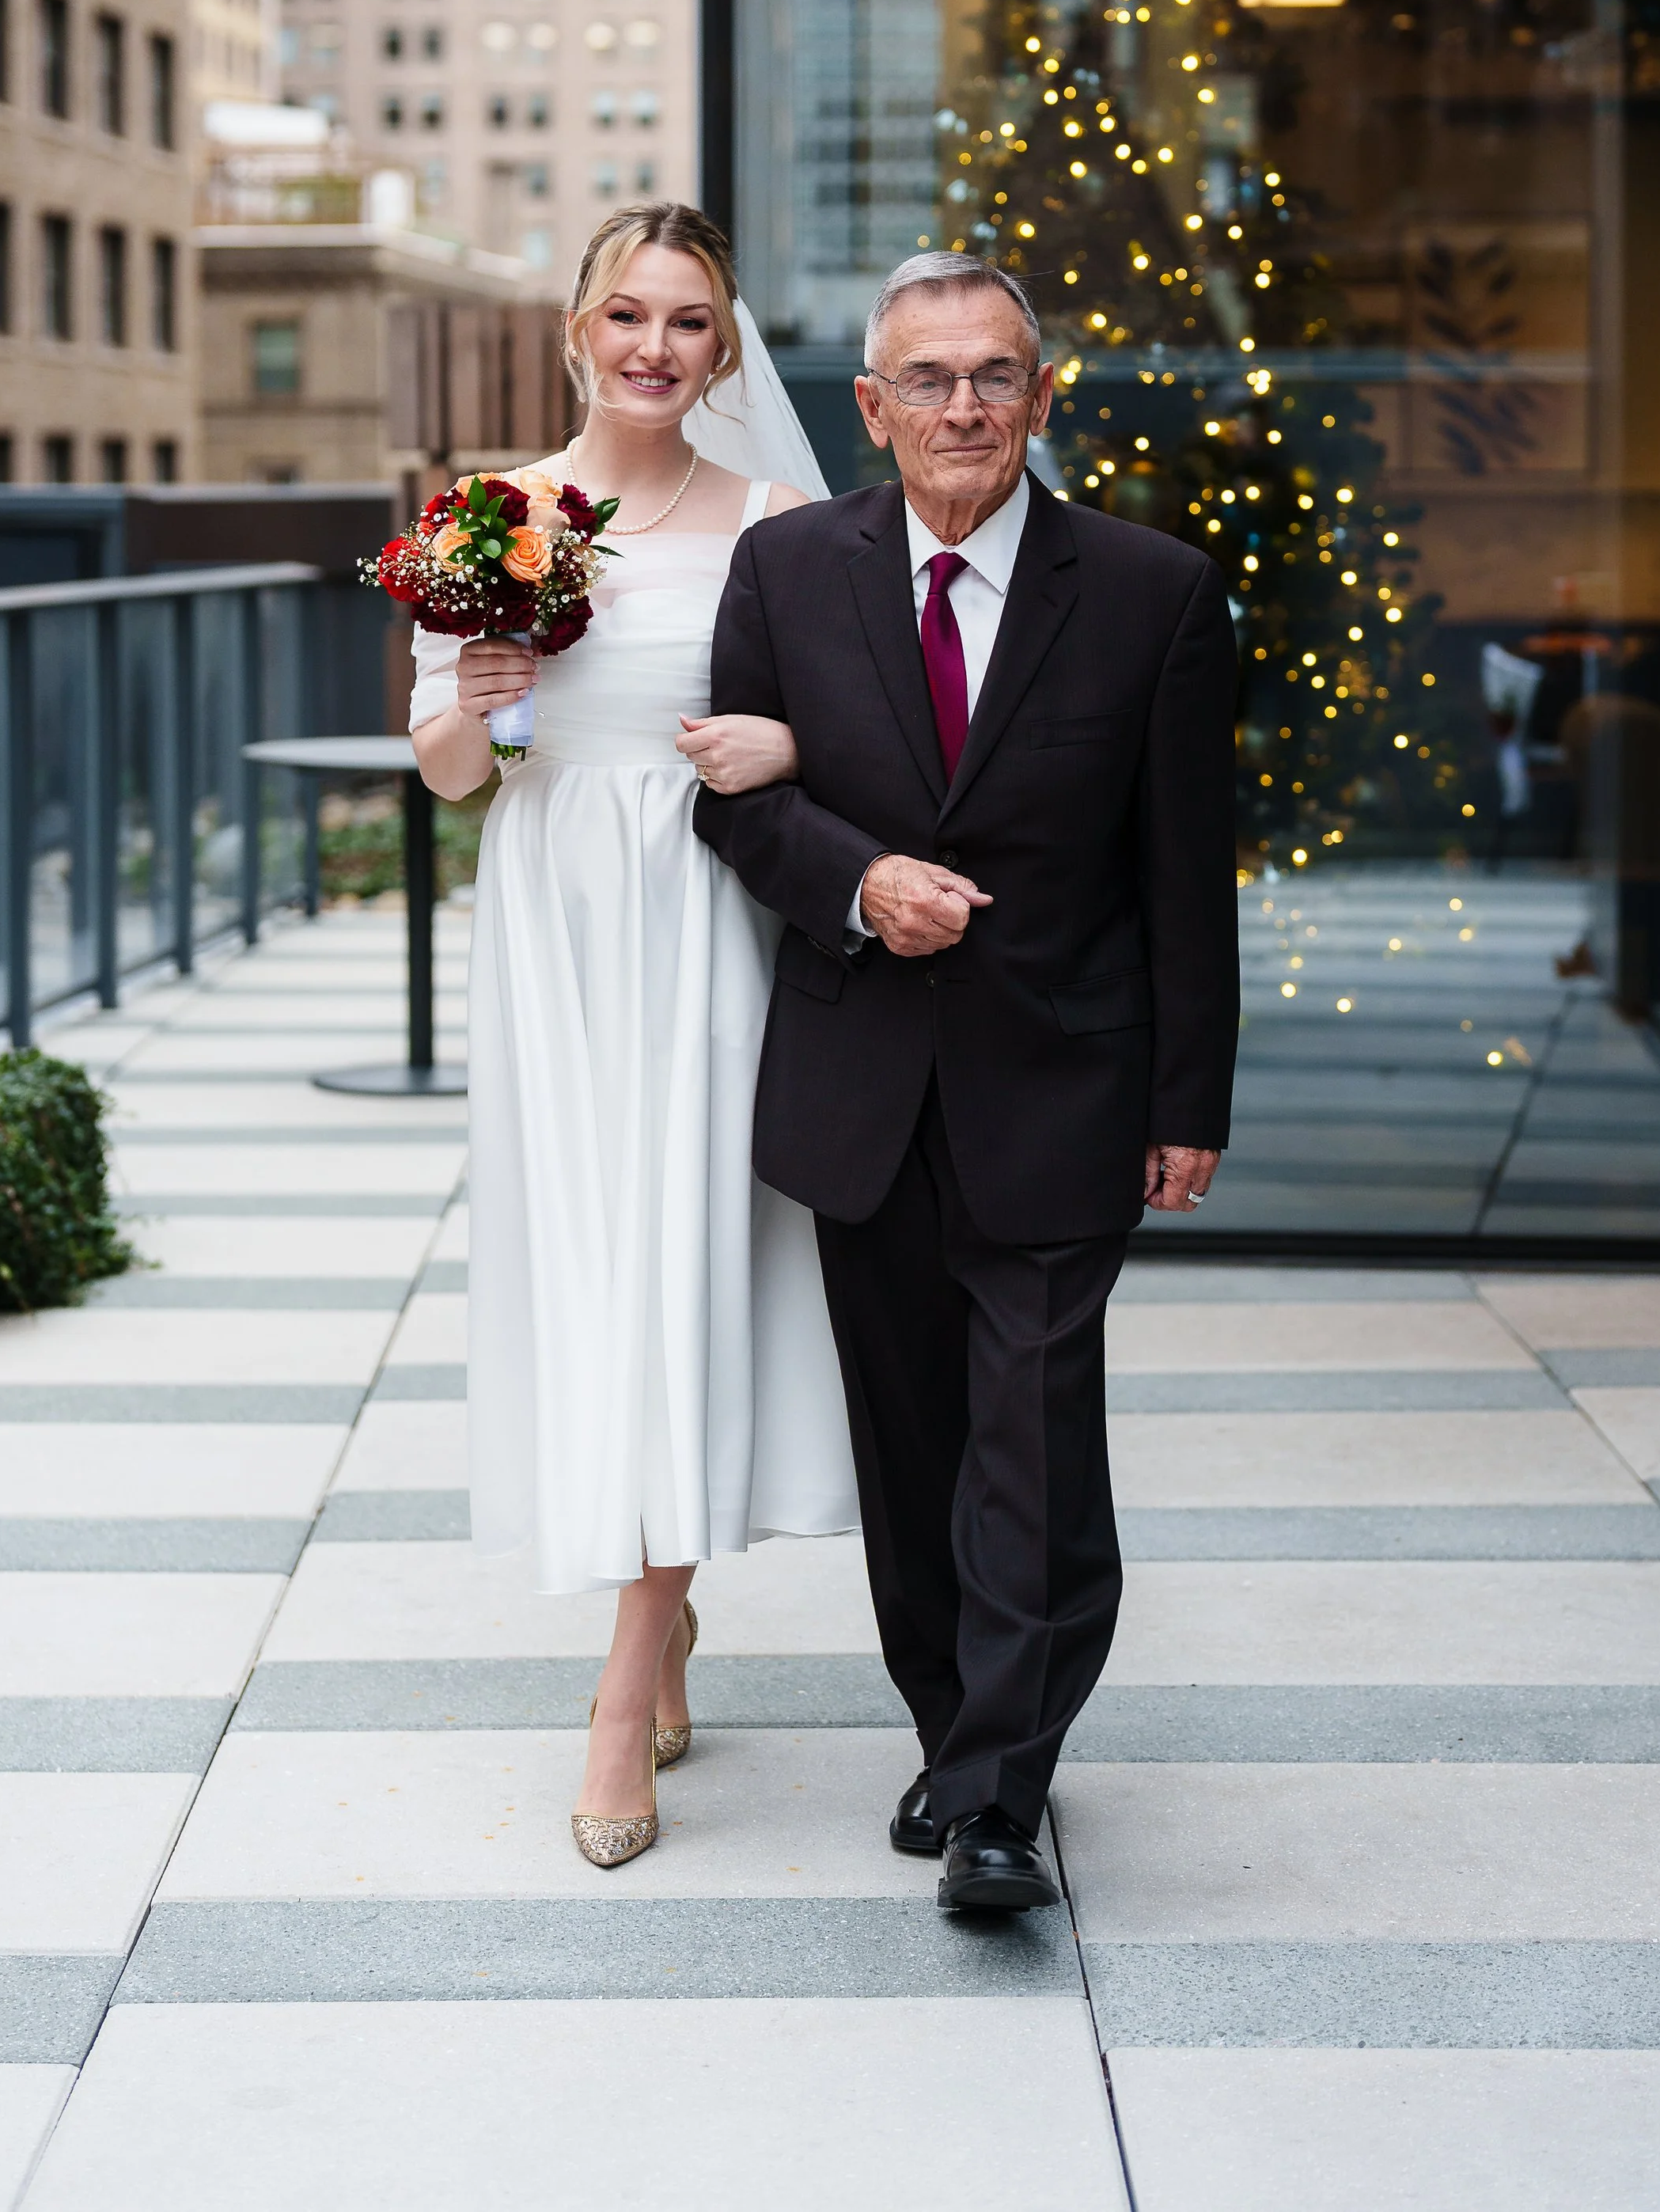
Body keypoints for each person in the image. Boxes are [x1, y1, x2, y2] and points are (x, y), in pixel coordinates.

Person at [693, 253, 1239, 1914]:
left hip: (1064, 1091)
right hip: (864, 1096)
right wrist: (859, 880)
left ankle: (1000, 1792)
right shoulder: (784, 573)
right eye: (924, 379)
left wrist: (1186, 1101)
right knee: (915, 1450)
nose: (961, 407)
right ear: (869, 407)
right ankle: (951, 1731)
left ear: (1039, 396)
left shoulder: (1150, 591)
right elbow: (729, 798)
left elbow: (1184, 871)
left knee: (1033, 1448)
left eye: (992, 375)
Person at [411, 202, 855, 1873]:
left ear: (722, 348)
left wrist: (781, 737)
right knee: (589, 1269)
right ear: (578, 332)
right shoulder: (494, 515)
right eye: (626, 317)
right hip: (557, 930)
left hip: (711, 912)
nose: (654, 348)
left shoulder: (781, 518)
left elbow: (865, 729)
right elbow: (462, 774)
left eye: (687, 321)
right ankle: (656, 1617)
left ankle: (623, 1668)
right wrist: (485, 687)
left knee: (685, 1262)